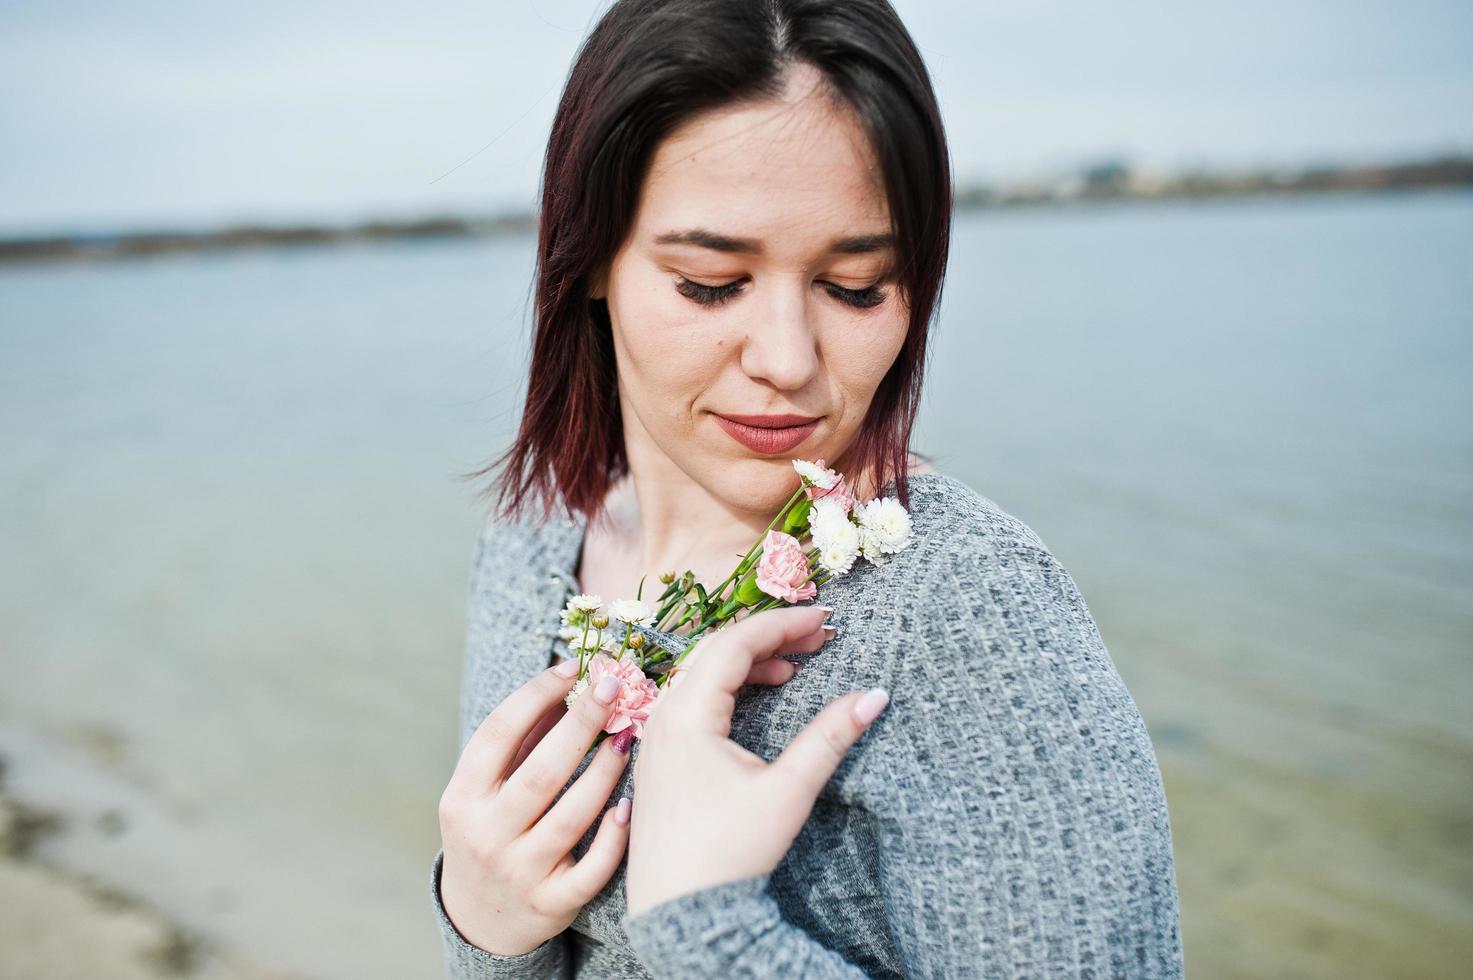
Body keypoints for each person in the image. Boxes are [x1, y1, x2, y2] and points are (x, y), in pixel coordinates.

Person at [430, 0, 1184, 976]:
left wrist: (711, 928)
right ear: (591, 261)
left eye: (857, 286)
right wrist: (483, 923)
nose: (788, 360)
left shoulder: (967, 615)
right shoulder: (533, 545)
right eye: (710, 281)